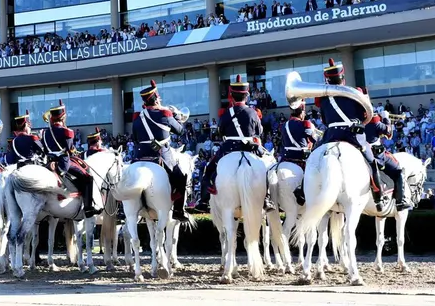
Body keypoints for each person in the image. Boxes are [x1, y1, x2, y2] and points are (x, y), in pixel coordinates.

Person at [315, 58, 388, 211]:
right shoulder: (355, 93)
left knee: (313, 158)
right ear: (343, 77)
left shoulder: (322, 97)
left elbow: (323, 119)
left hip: (331, 135)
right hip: (352, 134)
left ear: (327, 79)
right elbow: (363, 115)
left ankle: (302, 191)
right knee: (371, 160)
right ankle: (378, 193)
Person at [196, 76, 266, 213]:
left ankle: (204, 200)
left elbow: (220, 130)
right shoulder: (253, 112)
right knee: (268, 169)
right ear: (246, 95)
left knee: (209, 170)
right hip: (250, 148)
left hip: (228, 148)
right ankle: (267, 198)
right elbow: (259, 131)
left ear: (232, 96)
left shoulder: (226, 114)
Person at [131, 80, 189, 221]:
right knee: (181, 178)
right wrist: (176, 118)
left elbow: (135, 139)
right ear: (156, 98)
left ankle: (122, 209)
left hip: (140, 155)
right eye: (159, 97)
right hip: (161, 154)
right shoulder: (165, 114)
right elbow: (181, 131)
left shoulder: (137, 118)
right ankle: (178, 210)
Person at [41, 101, 97, 218]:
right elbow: (70, 150)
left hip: (49, 163)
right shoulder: (67, 132)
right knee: (88, 177)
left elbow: (45, 149)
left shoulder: (45, 133)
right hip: (63, 163)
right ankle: (88, 208)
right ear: (63, 117)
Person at [360, 114, 411, 211]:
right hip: (374, 154)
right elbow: (389, 134)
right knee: (398, 170)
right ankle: (400, 201)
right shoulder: (374, 121)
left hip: (358, 152)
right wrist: (386, 118)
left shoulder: (354, 120)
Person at [280, 101, 318, 205]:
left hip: (285, 158)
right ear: (301, 112)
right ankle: (303, 192)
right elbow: (315, 140)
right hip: (301, 159)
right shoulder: (306, 124)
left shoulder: (284, 125)